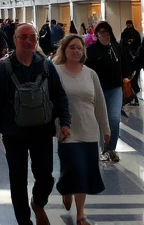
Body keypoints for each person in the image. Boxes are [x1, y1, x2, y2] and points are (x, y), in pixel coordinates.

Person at [0, 23, 72, 225]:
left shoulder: (46, 65)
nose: (27, 41)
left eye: (32, 37)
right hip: (13, 133)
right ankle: (24, 221)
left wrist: (65, 122)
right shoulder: (4, 69)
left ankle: (38, 201)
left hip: (42, 131)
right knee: (18, 180)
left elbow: (60, 96)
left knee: (45, 176)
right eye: (23, 37)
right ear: (15, 40)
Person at [53, 34, 109, 225]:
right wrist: (56, 126)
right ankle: (66, 188)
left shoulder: (90, 74)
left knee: (83, 172)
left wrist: (106, 129)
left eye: (79, 48)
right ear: (64, 50)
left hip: (89, 129)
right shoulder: (55, 71)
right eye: (72, 47)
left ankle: (80, 214)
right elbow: (50, 101)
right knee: (74, 168)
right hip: (66, 130)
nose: (76, 51)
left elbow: (100, 104)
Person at [84, 21, 130, 163]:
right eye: (102, 32)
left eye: (107, 32)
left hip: (115, 89)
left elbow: (126, 66)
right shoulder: (91, 51)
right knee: (99, 121)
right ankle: (101, 149)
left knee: (114, 119)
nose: (105, 35)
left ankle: (110, 149)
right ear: (97, 35)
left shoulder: (117, 48)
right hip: (98, 90)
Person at [119, 20, 142, 104]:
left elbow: (139, 45)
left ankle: (133, 97)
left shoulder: (135, 34)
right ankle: (132, 98)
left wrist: (135, 54)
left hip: (134, 60)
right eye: (127, 25)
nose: (128, 26)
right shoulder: (125, 33)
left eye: (129, 25)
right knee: (130, 81)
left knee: (133, 80)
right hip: (128, 61)